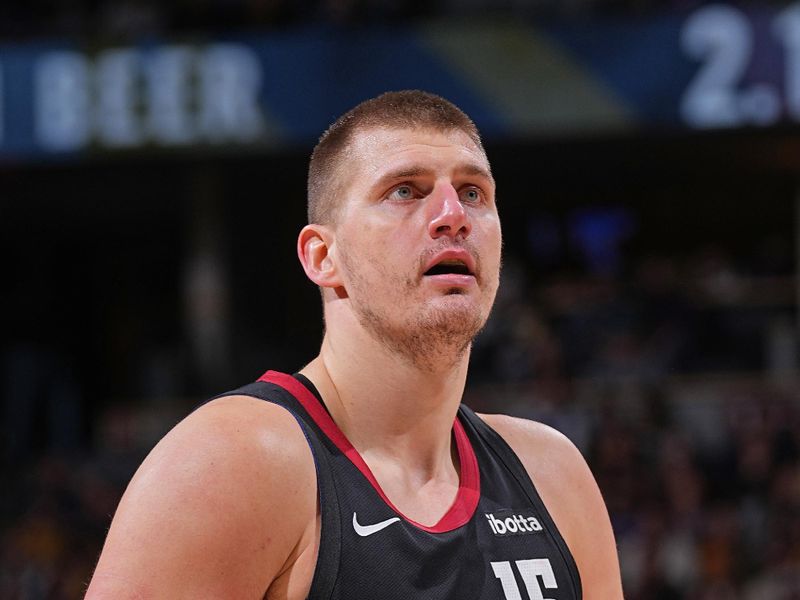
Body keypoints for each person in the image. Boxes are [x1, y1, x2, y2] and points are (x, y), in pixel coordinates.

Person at [86, 90, 623, 599]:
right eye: (405, 191)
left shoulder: (553, 476)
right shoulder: (232, 463)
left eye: (473, 192)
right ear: (323, 256)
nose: (452, 216)